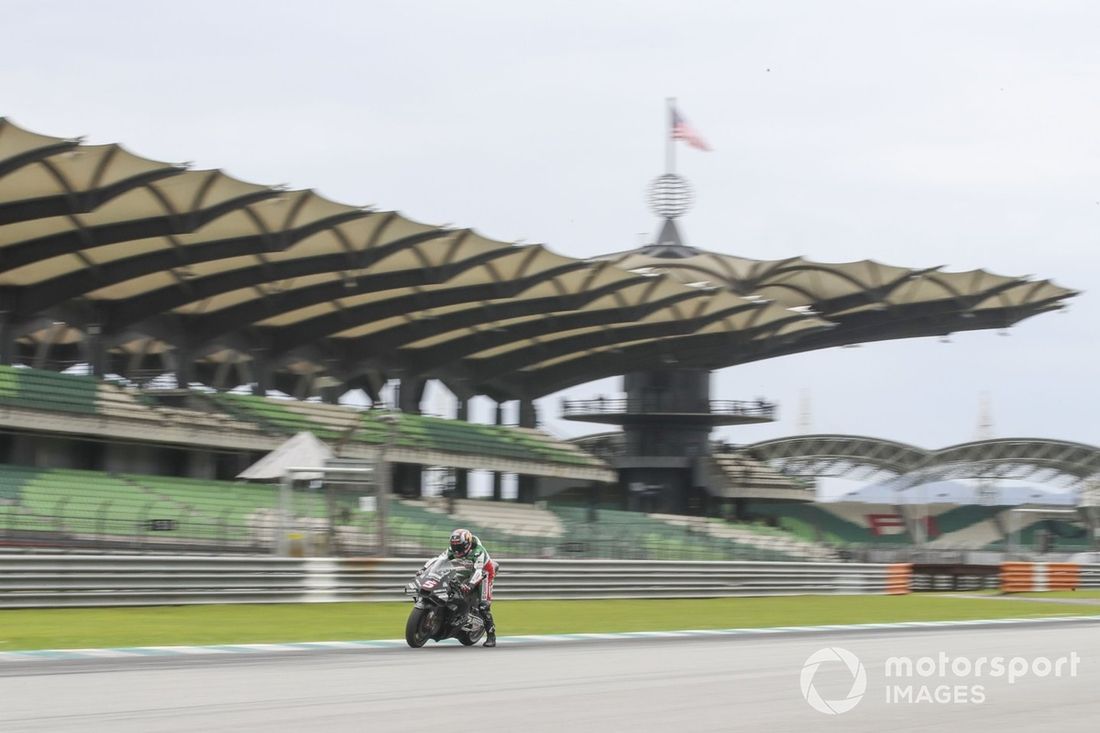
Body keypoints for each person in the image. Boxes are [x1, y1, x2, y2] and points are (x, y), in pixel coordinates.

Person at [420, 528, 497, 647]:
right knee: (451, 584)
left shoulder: (478, 551)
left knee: (483, 606)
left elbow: (479, 572)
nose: (457, 550)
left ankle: (491, 636)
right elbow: (439, 560)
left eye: (460, 547)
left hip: (484, 573)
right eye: (455, 547)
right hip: (467, 569)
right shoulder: (453, 549)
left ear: (467, 544)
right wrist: (424, 570)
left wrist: (470, 585)